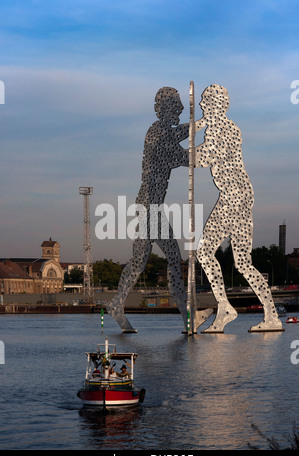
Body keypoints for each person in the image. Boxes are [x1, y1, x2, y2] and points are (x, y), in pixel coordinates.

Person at [194, 84, 283, 333]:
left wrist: (176, 156)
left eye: (205, 102)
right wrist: (198, 125)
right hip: (240, 195)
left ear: (217, 105)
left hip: (233, 196)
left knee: (204, 252)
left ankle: (225, 307)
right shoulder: (225, 127)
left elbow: (204, 157)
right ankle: (270, 316)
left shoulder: (222, 128)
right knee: (243, 262)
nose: (201, 105)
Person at [106, 87, 191, 332]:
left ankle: (116, 305)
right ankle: (188, 318)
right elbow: (182, 157)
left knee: (137, 263)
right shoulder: (156, 133)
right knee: (174, 259)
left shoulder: (161, 131)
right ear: (165, 109)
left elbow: (177, 135)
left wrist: (200, 124)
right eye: (177, 106)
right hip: (149, 209)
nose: (182, 109)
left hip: (148, 207)